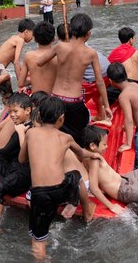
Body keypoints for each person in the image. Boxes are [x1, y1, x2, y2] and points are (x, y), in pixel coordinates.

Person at [18, 96, 101, 259]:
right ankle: (85, 209)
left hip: (41, 195)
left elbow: (21, 159)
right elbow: (82, 153)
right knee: (76, 176)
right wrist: (95, 155)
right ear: (61, 118)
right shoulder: (66, 138)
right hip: (61, 190)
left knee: (38, 240)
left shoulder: (31, 134)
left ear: (39, 115)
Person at [37, 13, 112, 145]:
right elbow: (99, 82)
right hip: (74, 102)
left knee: (56, 133)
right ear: (88, 33)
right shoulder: (91, 53)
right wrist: (106, 106)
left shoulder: (60, 47)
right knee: (77, 137)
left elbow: (39, 62)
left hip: (56, 99)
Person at [0, 93, 33, 231]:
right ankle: (2, 187)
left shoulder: (26, 129)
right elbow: (10, 150)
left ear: (28, 110)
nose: (12, 115)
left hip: (24, 174)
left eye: (15, 111)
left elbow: (19, 153)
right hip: (21, 170)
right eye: (10, 111)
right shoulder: (26, 125)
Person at [17, 21, 58, 94]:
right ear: (53, 39)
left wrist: (34, 78)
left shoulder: (29, 56)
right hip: (54, 100)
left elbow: (20, 83)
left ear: (35, 39)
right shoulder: (59, 56)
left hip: (37, 99)